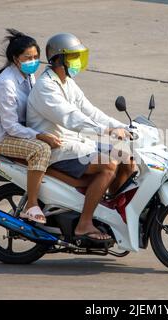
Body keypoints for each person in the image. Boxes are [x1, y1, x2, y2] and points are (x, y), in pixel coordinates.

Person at [27, 33, 135, 243]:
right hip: (58, 147)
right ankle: (84, 224)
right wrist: (106, 131)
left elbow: (90, 111)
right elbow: (71, 118)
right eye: (73, 57)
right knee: (109, 165)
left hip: (75, 143)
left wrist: (121, 126)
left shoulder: (66, 82)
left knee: (126, 157)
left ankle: (111, 214)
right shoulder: (46, 88)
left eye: (79, 56)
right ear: (59, 60)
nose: (78, 61)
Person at [0, 29, 61, 224]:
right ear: (15, 59)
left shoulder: (28, 77)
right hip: (4, 138)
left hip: (23, 131)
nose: (33, 61)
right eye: (28, 57)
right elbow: (10, 126)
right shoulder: (6, 84)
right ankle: (32, 205)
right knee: (41, 150)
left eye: (36, 57)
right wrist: (40, 136)